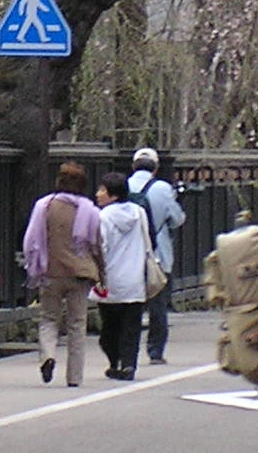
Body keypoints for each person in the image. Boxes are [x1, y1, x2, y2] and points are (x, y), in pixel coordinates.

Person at [22, 161, 102, 387]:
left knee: (48, 318)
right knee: (77, 323)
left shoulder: (44, 206)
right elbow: (97, 245)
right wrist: (102, 273)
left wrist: (33, 264)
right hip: (80, 273)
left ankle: (48, 355)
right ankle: (75, 377)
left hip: (51, 271)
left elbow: (30, 240)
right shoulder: (91, 211)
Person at [126, 147, 185, 363]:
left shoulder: (124, 186)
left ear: (133, 166)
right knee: (158, 305)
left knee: (130, 305)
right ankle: (155, 351)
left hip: (129, 255)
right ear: (156, 168)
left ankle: (127, 351)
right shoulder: (163, 188)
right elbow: (177, 219)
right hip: (158, 255)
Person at [92, 171, 148, 380]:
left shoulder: (103, 216)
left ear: (113, 195)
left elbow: (101, 246)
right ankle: (129, 364)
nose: (97, 194)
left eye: (102, 190)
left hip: (111, 279)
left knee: (110, 327)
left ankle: (114, 361)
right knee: (131, 327)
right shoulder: (139, 212)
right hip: (135, 278)